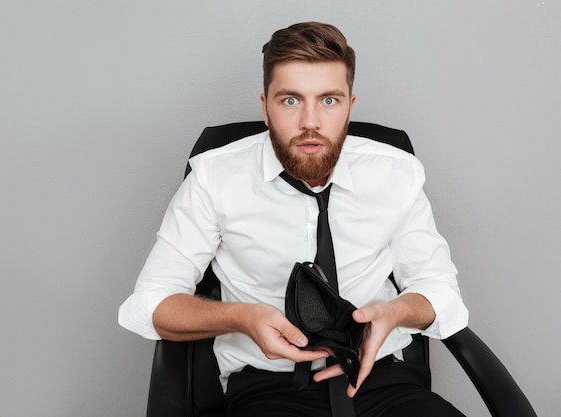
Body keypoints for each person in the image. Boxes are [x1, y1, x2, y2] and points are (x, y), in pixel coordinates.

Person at [119, 22, 469, 417]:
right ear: (265, 106)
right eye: (290, 101)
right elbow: (151, 304)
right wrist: (242, 318)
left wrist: (396, 313)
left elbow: (439, 290)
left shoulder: (396, 173)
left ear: (350, 107)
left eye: (329, 101)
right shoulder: (214, 178)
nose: (310, 122)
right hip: (270, 389)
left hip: (383, 381)